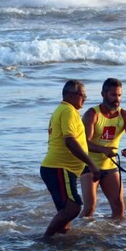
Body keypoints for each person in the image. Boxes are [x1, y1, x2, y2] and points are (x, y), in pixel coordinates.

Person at [39, 80, 102, 237]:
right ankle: (45, 239)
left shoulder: (63, 110)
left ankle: (60, 242)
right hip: (59, 168)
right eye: (82, 95)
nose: (85, 98)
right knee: (73, 207)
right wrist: (91, 163)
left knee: (65, 212)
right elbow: (70, 140)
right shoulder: (68, 111)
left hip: (61, 169)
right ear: (69, 95)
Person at [81, 78, 126, 220]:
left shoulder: (125, 115)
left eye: (119, 95)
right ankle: (76, 234)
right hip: (89, 165)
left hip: (110, 167)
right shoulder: (92, 114)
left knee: (119, 208)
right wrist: (104, 150)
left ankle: (115, 237)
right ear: (103, 94)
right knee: (90, 208)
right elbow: (84, 143)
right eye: (113, 95)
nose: (117, 99)